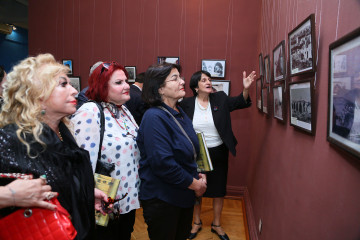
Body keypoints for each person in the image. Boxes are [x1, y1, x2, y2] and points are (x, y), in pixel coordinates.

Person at [0, 53, 109, 240]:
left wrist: (83, 193)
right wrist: (9, 195)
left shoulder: (62, 133)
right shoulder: (11, 139)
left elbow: (56, 181)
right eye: (63, 84)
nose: (75, 91)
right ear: (37, 94)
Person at [180, 70, 255, 240]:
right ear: (195, 86)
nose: (208, 82)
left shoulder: (220, 98)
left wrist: (245, 89)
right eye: (203, 80)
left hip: (219, 151)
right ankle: (196, 222)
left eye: (209, 79)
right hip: (197, 153)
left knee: (219, 189)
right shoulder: (186, 104)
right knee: (197, 189)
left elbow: (239, 102)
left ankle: (216, 224)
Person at [137, 63, 207, 240]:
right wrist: (195, 184)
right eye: (175, 78)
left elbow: (191, 149)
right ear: (160, 88)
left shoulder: (179, 112)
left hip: (182, 195)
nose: (182, 81)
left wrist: (199, 173)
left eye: (180, 77)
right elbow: (163, 164)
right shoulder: (154, 117)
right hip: (163, 200)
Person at [71, 61, 140, 240]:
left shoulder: (124, 110)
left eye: (126, 81)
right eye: (119, 83)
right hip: (102, 203)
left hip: (126, 200)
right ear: (101, 86)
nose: (127, 86)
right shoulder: (90, 111)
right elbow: (81, 164)